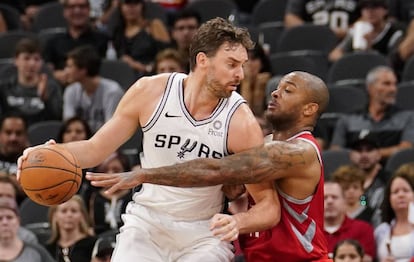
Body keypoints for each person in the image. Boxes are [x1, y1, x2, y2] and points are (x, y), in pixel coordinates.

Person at [19, 17, 278, 261]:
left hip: (204, 231)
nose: (240, 75)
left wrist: (238, 221)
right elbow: (95, 148)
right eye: (232, 64)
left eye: (242, 65)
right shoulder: (151, 92)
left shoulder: (241, 122)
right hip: (147, 222)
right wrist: (49, 154)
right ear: (203, 60)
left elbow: (269, 205)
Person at [86, 70, 332, 261]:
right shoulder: (263, 144)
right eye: (276, 88)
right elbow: (231, 189)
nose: (275, 93)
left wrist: (146, 175)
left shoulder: (301, 152)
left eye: (288, 91)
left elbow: (215, 170)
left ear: (310, 109)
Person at [330, 66, 414, 160]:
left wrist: (366, 156)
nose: (393, 89)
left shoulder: (407, 117)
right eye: (386, 84)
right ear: (370, 87)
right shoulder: (348, 119)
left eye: (395, 84)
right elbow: (336, 151)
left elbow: (406, 150)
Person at [43, 0, 109, 86]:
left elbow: (104, 70)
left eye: (82, 7)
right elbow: (46, 69)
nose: (77, 11)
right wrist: (55, 75)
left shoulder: (102, 39)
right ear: (65, 12)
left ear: (89, 10)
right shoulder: (53, 41)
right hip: (59, 88)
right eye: (72, 7)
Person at [0, 37, 62, 126]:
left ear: (41, 62)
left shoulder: (51, 87)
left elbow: (56, 120)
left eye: (36, 59)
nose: (32, 64)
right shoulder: (4, 88)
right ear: (16, 60)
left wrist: (45, 99)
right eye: (26, 58)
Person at [62, 45, 124, 133]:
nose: (65, 71)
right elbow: (69, 127)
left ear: (83, 70)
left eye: (69, 67)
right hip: (80, 143)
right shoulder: (71, 91)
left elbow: (112, 130)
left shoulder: (112, 92)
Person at [329, 0, 404, 62]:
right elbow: (334, 54)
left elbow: (391, 62)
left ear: (385, 10)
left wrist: (369, 49)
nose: (370, 11)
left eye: (375, 7)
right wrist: (351, 61)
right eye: (365, 8)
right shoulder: (357, 31)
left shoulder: (394, 34)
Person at [111, 0, 170, 77]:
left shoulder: (153, 25)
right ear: (121, 7)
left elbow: (168, 54)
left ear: (142, 6)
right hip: (126, 76)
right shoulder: (118, 32)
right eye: (127, 4)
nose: (131, 8)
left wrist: (143, 67)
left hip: (153, 74)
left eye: (135, 3)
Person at [324, 181, 376, 261]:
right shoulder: (309, 233)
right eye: (324, 198)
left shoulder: (363, 229)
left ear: (345, 201)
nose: (330, 201)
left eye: (334, 197)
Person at [375, 165, 414, 261]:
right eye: (395, 192)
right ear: (389, 199)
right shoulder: (381, 231)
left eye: (406, 190)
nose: (401, 195)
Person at [88, 151, 132, 235]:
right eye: (105, 170)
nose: (110, 174)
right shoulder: (95, 197)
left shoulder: (133, 196)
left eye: (116, 170)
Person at [0, 197, 55, 262]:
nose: (5, 222)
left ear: (18, 221)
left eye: (9, 217)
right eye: (0, 218)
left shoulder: (36, 252)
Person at [45, 194, 97, 262]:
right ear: (54, 216)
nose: (69, 215)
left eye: (74, 211)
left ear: (82, 215)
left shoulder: (94, 245)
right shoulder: (48, 249)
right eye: (64, 211)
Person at [348, 131, 386, 212]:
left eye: (369, 150)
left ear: (379, 154)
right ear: (351, 155)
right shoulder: (343, 181)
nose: (364, 155)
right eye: (359, 150)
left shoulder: (389, 180)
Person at [284, 0, 360, 39]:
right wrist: (321, 34)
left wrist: (348, 32)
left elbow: (368, 17)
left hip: (347, 41)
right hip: (313, 42)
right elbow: (291, 19)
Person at [239, 43, 272, 117]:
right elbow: (243, 115)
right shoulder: (233, 84)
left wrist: (259, 88)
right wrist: (246, 82)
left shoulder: (272, 84)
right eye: (246, 60)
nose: (250, 64)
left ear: (262, 62)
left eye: (254, 59)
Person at [169, 8, 201, 72]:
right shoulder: (166, 59)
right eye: (181, 28)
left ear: (200, 30)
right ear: (173, 33)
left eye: (191, 27)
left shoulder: (207, 58)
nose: (186, 33)